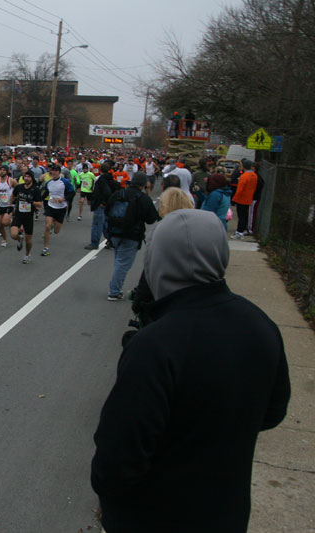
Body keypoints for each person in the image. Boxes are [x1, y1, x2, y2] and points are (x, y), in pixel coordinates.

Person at [91, 209, 290, 532]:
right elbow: (273, 412)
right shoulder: (260, 323)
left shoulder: (154, 345)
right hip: (226, 510)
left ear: (158, 260)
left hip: (153, 515)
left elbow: (114, 465)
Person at [104, 172, 159, 301]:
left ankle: (116, 287)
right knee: (123, 263)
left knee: (119, 260)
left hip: (115, 232)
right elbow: (151, 219)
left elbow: (107, 211)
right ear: (144, 184)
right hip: (132, 235)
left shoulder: (119, 194)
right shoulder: (143, 198)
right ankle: (114, 291)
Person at [10, 170, 44, 264]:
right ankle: (19, 239)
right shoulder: (19, 187)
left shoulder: (35, 189)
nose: (26, 178)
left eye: (28, 177)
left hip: (28, 216)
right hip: (18, 214)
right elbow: (12, 196)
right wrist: (10, 207)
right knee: (13, 234)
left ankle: (27, 255)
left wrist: (31, 201)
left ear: (32, 178)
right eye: (25, 176)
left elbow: (40, 204)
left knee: (28, 240)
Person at [39, 165, 74, 257]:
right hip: (50, 206)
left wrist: (64, 199)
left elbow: (72, 192)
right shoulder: (49, 183)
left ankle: (53, 224)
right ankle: (46, 248)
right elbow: (46, 193)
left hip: (61, 208)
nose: (53, 173)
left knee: (56, 231)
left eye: (55, 171)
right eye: (52, 171)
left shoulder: (65, 182)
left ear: (59, 172)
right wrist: (39, 200)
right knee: (47, 226)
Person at [85, 162, 114, 250]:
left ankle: (94, 243)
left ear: (100, 170)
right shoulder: (111, 178)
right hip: (108, 204)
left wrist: (102, 201)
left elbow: (105, 192)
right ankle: (111, 240)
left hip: (100, 203)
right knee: (105, 223)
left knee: (97, 224)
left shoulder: (101, 179)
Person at [232, 159, 258, 239]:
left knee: (241, 216)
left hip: (241, 199)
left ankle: (239, 232)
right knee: (245, 215)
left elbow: (240, 189)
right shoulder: (254, 176)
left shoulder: (244, 176)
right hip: (249, 198)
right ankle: (242, 230)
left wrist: (234, 198)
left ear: (243, 166)